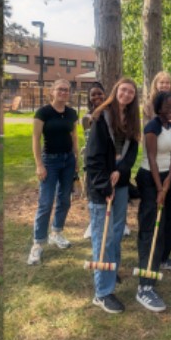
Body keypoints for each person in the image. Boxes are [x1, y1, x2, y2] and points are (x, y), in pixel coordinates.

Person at [85, 78, 140, 314]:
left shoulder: (131, 120)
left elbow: (131, 153)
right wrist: (104, 185)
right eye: (123, 90)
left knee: (116, 234)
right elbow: (93, 157)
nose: (126, 94)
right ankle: (102, 293)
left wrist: (121, 171)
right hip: (102, 187)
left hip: (121, 183)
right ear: (116, 90)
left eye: (131, 92)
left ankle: (110, 270)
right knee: (103, 237)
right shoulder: (102, 116)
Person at [133, 91, 171, 312]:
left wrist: (169, 181)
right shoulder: (151, 127)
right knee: (151, 229)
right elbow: (151, 157)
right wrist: (159, 187)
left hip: (167, 179)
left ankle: (161, 258)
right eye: (168, 104)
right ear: (158, 106)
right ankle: (145, 286)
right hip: (149, 179)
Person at [28, 79, 79, 265]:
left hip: (68, 160)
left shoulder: (72, 113)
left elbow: (74, 137)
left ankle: (56, 232)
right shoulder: (43, 113)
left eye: (66, 90)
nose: (63, 92)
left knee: (64, 199)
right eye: (60, 89)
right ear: (52, 91)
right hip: (50, 161)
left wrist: (76, 161)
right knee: (46, 202)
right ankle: (38, 244)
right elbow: (35, 139)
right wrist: (39, 165)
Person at [82, 82, 106, 240]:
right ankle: (94, 224)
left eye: (99, 93)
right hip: (92, 159)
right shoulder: (87, 117)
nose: (97, 97)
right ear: (89, 99)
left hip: (107, 157)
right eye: (93, 95)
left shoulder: (110, 114)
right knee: (93, 192)